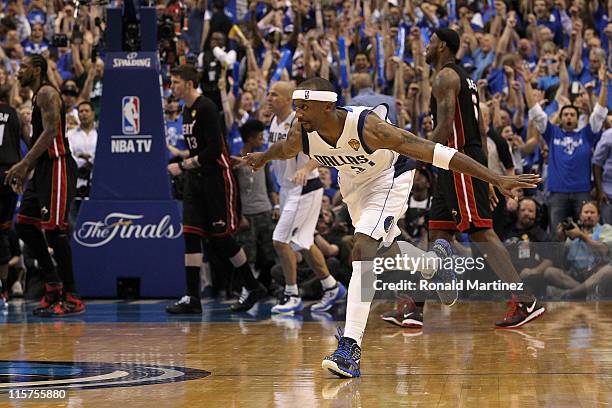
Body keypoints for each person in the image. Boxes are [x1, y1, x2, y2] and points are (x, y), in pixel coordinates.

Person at [244, 76, 540, 378]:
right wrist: (263, 157)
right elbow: (285, 149)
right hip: (354, 184)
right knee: (384, 250)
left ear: (329, 105)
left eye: (305, 107)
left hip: (390, 179)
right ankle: (433, 263)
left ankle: (350, 348)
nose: (299, 114)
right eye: (297, 107)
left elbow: (435, 152)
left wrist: (496, 178)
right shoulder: (302, 131)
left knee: (362, 250)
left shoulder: (369, 128)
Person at [425, 28, 545, 329]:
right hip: (457, 163)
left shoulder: (445, 77)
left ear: (441, 46)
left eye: (429, 43)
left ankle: (524, 299)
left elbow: (444, 126)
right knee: (438, 230)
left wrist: (414, 156)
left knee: (480, 231)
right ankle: (413, 307)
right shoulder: (465, 77)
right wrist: (487, 176)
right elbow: (479, 128)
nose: (425, 48)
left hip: (456, 159)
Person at [165, 64, 266, 314]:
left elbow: (213, 151)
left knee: (221, 238)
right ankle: (192, 297)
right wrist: (185, 159)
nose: (172, 87)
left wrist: (184, 164)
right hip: (195, 180)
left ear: (189, 84)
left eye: (176, 82)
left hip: (216, 179)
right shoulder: (186, 112)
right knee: (190, 234)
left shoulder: (207, 108)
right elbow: (198, 148)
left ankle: (252, 286)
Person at [5, 54, 83, 316]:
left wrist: (24, 165)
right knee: (25, 225)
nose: (18, 72)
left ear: (37, 70)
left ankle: (71, 295)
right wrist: (28, 168)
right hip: (43, 170)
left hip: (58, 165)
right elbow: (38, 138)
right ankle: (52, 283)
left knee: (55, 231)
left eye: (23, 67)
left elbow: (50, 134)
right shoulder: (37, 96)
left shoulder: (48, 93)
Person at [267, 81, 346, 314]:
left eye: (274, 95)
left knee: (280, 240)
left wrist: (306, 167)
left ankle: (291, 294)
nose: (269, 98)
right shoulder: (273, 121)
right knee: (303, 242)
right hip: (287, 189)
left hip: (305, 187)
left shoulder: (299, 121)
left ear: (286, 99)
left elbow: (323, 150)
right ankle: (332, 287)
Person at [544, 201, 612, 299]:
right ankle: (586, 292)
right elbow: (561, 262)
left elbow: (604, 249)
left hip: (597, 273)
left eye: (592, 213)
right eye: (586, 212)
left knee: (609, 271)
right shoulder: (572, 232)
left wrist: (581, 235)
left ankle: (571, 294)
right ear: (580, 216)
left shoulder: (606, 229)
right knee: (549, 272)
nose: (589, 215)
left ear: (598, 216)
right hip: (576, 276)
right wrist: (561, 240)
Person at [0, 84, 24, 300]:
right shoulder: (16, 115)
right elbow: (31, 141)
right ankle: (3, 288)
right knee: (4, 230)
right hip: (9, 173)